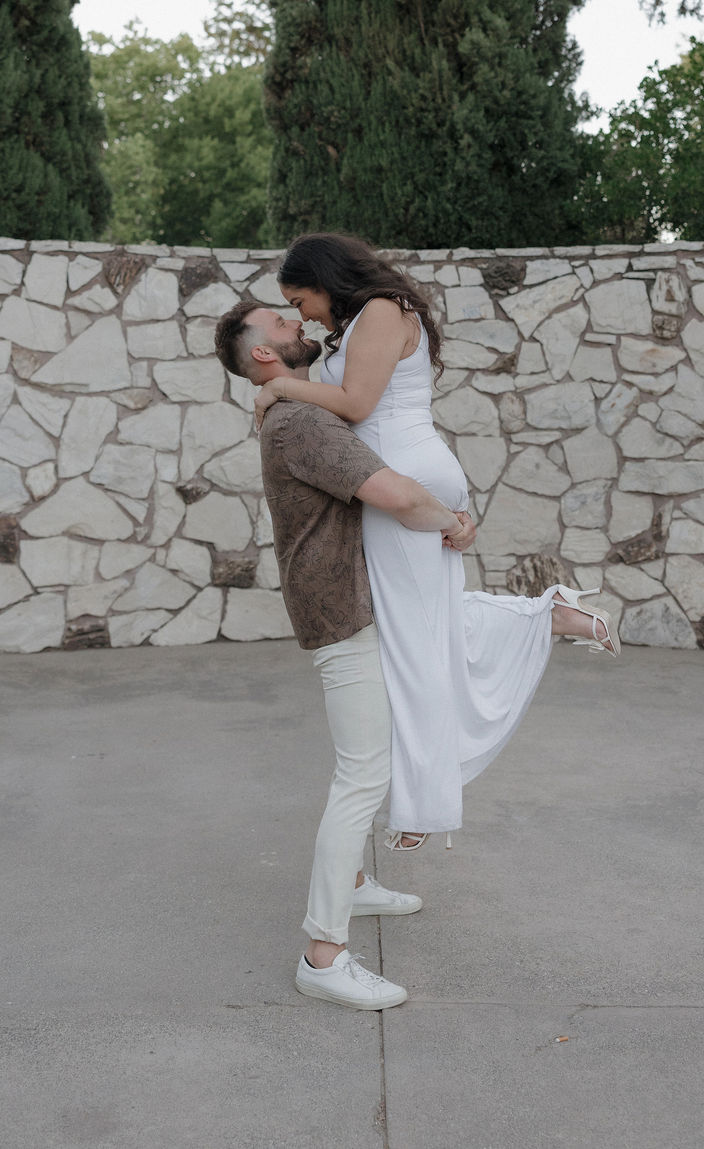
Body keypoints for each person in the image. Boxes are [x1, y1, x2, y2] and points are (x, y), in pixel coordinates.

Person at [253, 232, 620, 852]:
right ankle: (551, 618)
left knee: (409, 639)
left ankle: (420, 802)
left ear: (326, 280)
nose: (301, 313)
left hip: (401, 474)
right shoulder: (370, 316)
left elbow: (357, 402)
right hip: (409, 469)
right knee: (424, 622)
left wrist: (278, 388)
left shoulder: (379, 312)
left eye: (301, 298)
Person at [214, 299, 476, 1011]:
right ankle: (322, 953)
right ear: (264, 353)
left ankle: (356, 887)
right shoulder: (300, 422)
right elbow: (390, 492)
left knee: (361, 760)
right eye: (283, 321)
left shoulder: (293, 408)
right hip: (342, 611)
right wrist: (453, 522)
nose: (299, 324)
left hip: (350, 603)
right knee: (363, 773)